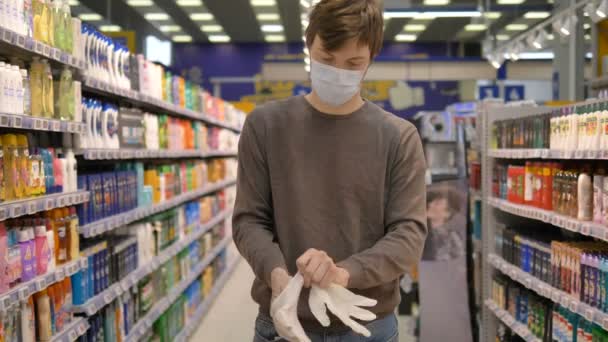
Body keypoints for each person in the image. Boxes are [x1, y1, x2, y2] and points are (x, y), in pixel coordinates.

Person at [232, 0, 428, 341]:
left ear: (371, 61)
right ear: (309, 46)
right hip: (283, 321)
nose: (338, 72)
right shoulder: (265, 127)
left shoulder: (398, 137)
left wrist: (344, 273)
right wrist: (278, 277)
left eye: (353, 63)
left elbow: (409, 233)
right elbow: (249, 220)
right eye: (326, 59)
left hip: (367, 326)